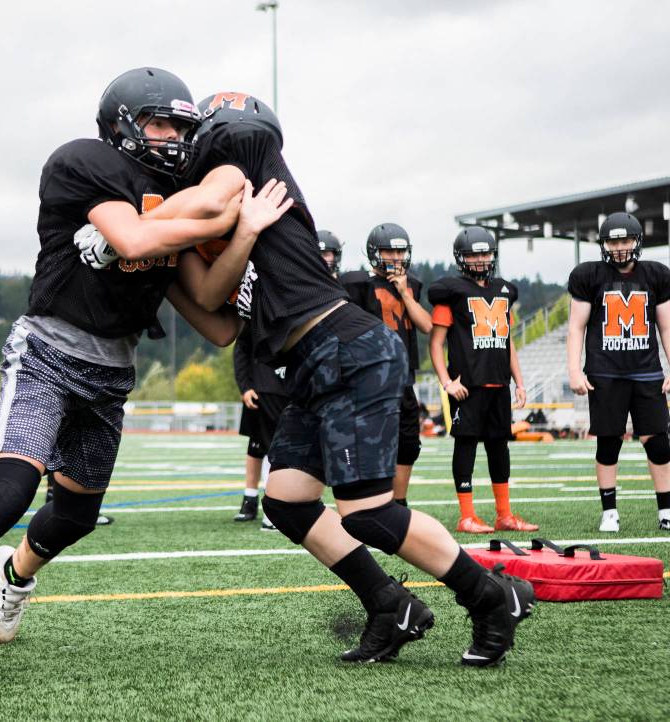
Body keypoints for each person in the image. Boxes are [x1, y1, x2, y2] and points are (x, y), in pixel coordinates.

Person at [0, 67, 288, 691]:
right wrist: (213, 223)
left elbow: (215, 319)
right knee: (11, 489)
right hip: (49, 351)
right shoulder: (85, 163)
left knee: (77, 515)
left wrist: (243, 232)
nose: (173, 138)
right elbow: (134, 234)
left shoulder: (173, 195)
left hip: (113, 369)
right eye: (159, 123)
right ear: (120, 125)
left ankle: (16, 576)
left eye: (182, 127)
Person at [178, 92, 535, 667]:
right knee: (288, 501)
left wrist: (137, 219)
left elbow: (206, 195)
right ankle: (389, 603)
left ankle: (491, 597)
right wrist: (166, 260)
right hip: (315, 364)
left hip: (349, 350)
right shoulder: (223, 219)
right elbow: (215, 317)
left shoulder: (247, 157)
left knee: (367, 511)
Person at [428, 228, 537, 534]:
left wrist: (520, 381)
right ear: (461, 258)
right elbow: (436, 343)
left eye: (484, 253)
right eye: (473, 254)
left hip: (498, 383)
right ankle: (467, 516)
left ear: (493, 255)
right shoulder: (451, 292)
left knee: (499, 447)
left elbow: (507, 340)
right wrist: (447, 382)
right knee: (466, 445)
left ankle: (504, 514)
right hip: (468, 385)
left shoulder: (504, 291)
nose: (479, 259)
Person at [566, 212, 670, 532]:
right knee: (609, 442)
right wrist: (574, 369)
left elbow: (666, 327)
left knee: (659, 443)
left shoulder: (655, 275)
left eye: (625, 240)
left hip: (646, 371)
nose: (620, 247)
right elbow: (576, 327)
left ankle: (666, 510)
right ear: (603, 244)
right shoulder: (590, 275)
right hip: (605, 371)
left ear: (637, 241)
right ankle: (609, 511)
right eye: (613, 240)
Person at [341, 224, 431, 507]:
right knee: (372, 444)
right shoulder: (357, 285)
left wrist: (405, 293)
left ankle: (399, 504)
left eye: (400, 250)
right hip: (371, 379)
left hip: (403, 378)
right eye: (389, 250)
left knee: (408, 444)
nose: (395, 256)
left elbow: (426, 325)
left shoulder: (411, 285)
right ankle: (369, 503)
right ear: (374, 253)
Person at [232, 320, 287, 529]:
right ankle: (258, 502)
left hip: (288, 386)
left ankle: (273, 505)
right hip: (262, 388)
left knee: (277, 448)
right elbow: (241, 346)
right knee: (260, 446)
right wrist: (245, 385)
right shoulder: (258, 307)